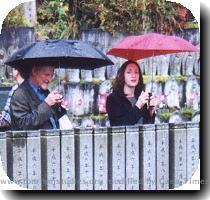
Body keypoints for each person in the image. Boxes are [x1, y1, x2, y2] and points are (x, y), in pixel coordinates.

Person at [10, 65, 66, 130]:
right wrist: (47, 104)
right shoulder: (20, 94)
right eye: (47, 75)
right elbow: (23, 125)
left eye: (52, 75)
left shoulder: (45, 91)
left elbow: (51, 119)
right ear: (34, 71)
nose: (50, 79)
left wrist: (59, 107)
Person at [106, 60, 158, 126]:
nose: (133, 75)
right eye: (129, 72)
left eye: (136, 72)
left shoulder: (142, 97)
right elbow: (120, 125)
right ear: (122, 75)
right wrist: (138, 105)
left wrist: (151, 112)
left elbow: (148, 127)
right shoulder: (113, 99)